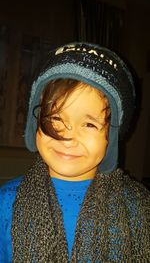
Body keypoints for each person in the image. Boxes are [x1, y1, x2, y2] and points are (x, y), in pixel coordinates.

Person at [0, 42, 149, 262]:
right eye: (56, 118)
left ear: (112, 136)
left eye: (89, 124)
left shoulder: (139, 210)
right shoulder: (6, 202)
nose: (69, 138)